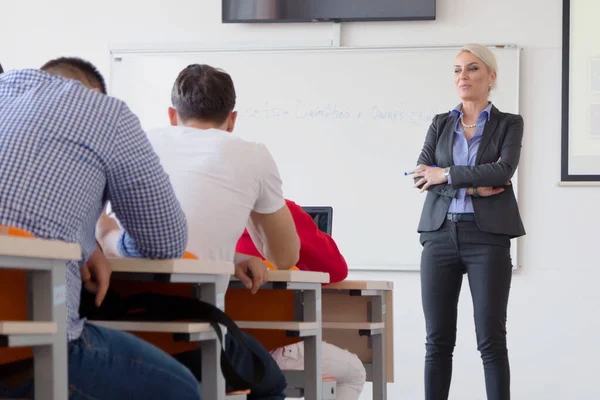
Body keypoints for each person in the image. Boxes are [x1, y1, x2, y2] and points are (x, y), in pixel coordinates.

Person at [62, 60, 298, 399]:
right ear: (232, 121)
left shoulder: (137, 142)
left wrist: (230, 257)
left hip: (111, 318)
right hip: (193, 325)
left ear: (172, 115)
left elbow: (161, 243)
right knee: (271, 383)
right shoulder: (253, 154)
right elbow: (285, 257)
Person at [0, 60, 202, 399]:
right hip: (29, 348)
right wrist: (108, 238)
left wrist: (85, 242)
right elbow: (165, 241)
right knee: (183, 389)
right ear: (93, 93)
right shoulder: (105, 112)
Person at [409, 44, 525, 400]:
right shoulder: (441, 123)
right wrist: (473, 187)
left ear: (491, 77)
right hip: (439, 235)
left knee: (491, 340)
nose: (463, 76)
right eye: (457, 70)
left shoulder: (509, 123)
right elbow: (420, 175)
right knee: (437, 341)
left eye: (472, 69)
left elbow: (503, 170)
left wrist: (445, 175)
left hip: (486, 238)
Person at [234, 199, 367, 400]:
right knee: (354, 371)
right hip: (268, 347)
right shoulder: (280, 211)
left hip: (218, 345)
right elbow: (336, 270)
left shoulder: (209, 215)